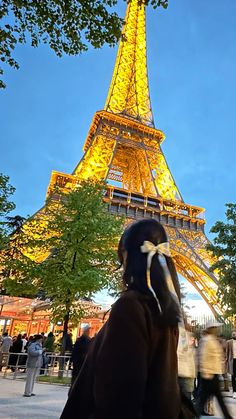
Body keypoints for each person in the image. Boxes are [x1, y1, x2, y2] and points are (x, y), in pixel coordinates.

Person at [60, 219, 184, 419]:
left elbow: (118, 396)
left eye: (122, 257)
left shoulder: (130, 306)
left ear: (129, 256)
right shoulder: (166, 312)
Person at [196, 321, 233, 419]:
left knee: (214, 399)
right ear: (211, 329)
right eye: (215, 328)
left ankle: (227, 416)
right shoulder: (207, 340)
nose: (217, 330)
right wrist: (207, 373)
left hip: (213, 374)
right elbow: (203, 357)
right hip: (209, 375)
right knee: (206, 399)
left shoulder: (212, 339)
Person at [70, 325, 91, 390]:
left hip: (82, 365)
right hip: (79, 365)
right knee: (76, 383)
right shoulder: (81, 341)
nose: (89, 332)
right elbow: (75, 353)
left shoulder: (87, 340)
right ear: (85, 331)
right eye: (88, 330)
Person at [226, 331, 236, 398]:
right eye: (233, 334)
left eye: (235, 334)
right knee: (233, 376)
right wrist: (226, 361)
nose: (234, 335)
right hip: (232, 361)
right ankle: (234, 391)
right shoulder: (229, 342)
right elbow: (227, 352)